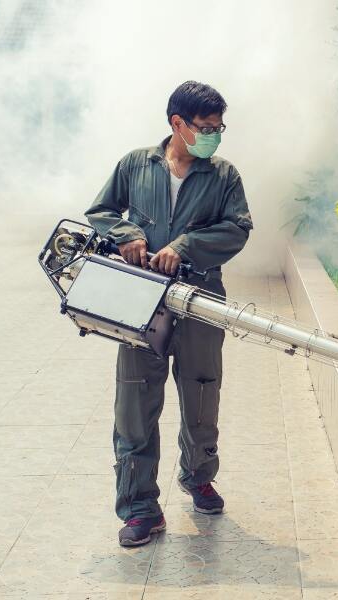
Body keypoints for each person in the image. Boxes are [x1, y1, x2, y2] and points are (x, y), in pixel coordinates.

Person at [85, 81, 253, 547]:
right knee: (135, 402)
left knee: (201, 393)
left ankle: (197, 476)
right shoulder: (135, 165)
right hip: (140, 299)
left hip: (201, 299)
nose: (214, 136)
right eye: (206, 127)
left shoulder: (223, 176)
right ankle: (140, 508)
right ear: (176, 124)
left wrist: (184, 246)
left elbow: (238, 229)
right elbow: (101, 210)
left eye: (219, 128)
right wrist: (128, 234)